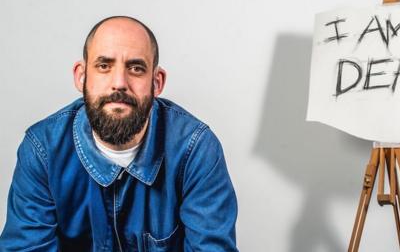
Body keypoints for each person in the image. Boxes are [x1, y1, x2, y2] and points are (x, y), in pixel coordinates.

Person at [0, 16, 238, 251]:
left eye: (135, 68)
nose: (119, 83)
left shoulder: (196, 150)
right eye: (104, 66)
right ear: (81, 77)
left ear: (157, 82)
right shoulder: (43, 150)